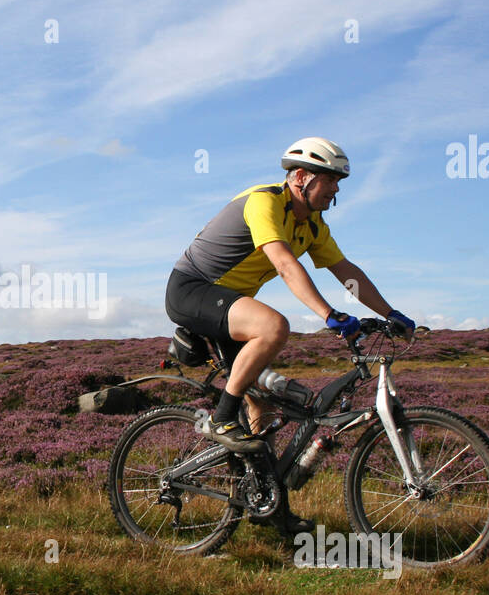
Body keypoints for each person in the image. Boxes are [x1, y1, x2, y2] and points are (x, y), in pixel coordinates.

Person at [165, 137, 416, 532]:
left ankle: (270, 510)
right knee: (274, 326)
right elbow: (283, 263)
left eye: (338, 182)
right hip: (192, 291)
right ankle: (220, 418)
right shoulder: (263, 203)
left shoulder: (312, 224)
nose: (336, 189)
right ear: (301, 178)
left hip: (229, 304)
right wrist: (328, 314)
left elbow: (345, 271)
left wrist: (390, 313)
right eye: (330, 180)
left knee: (262, 411)